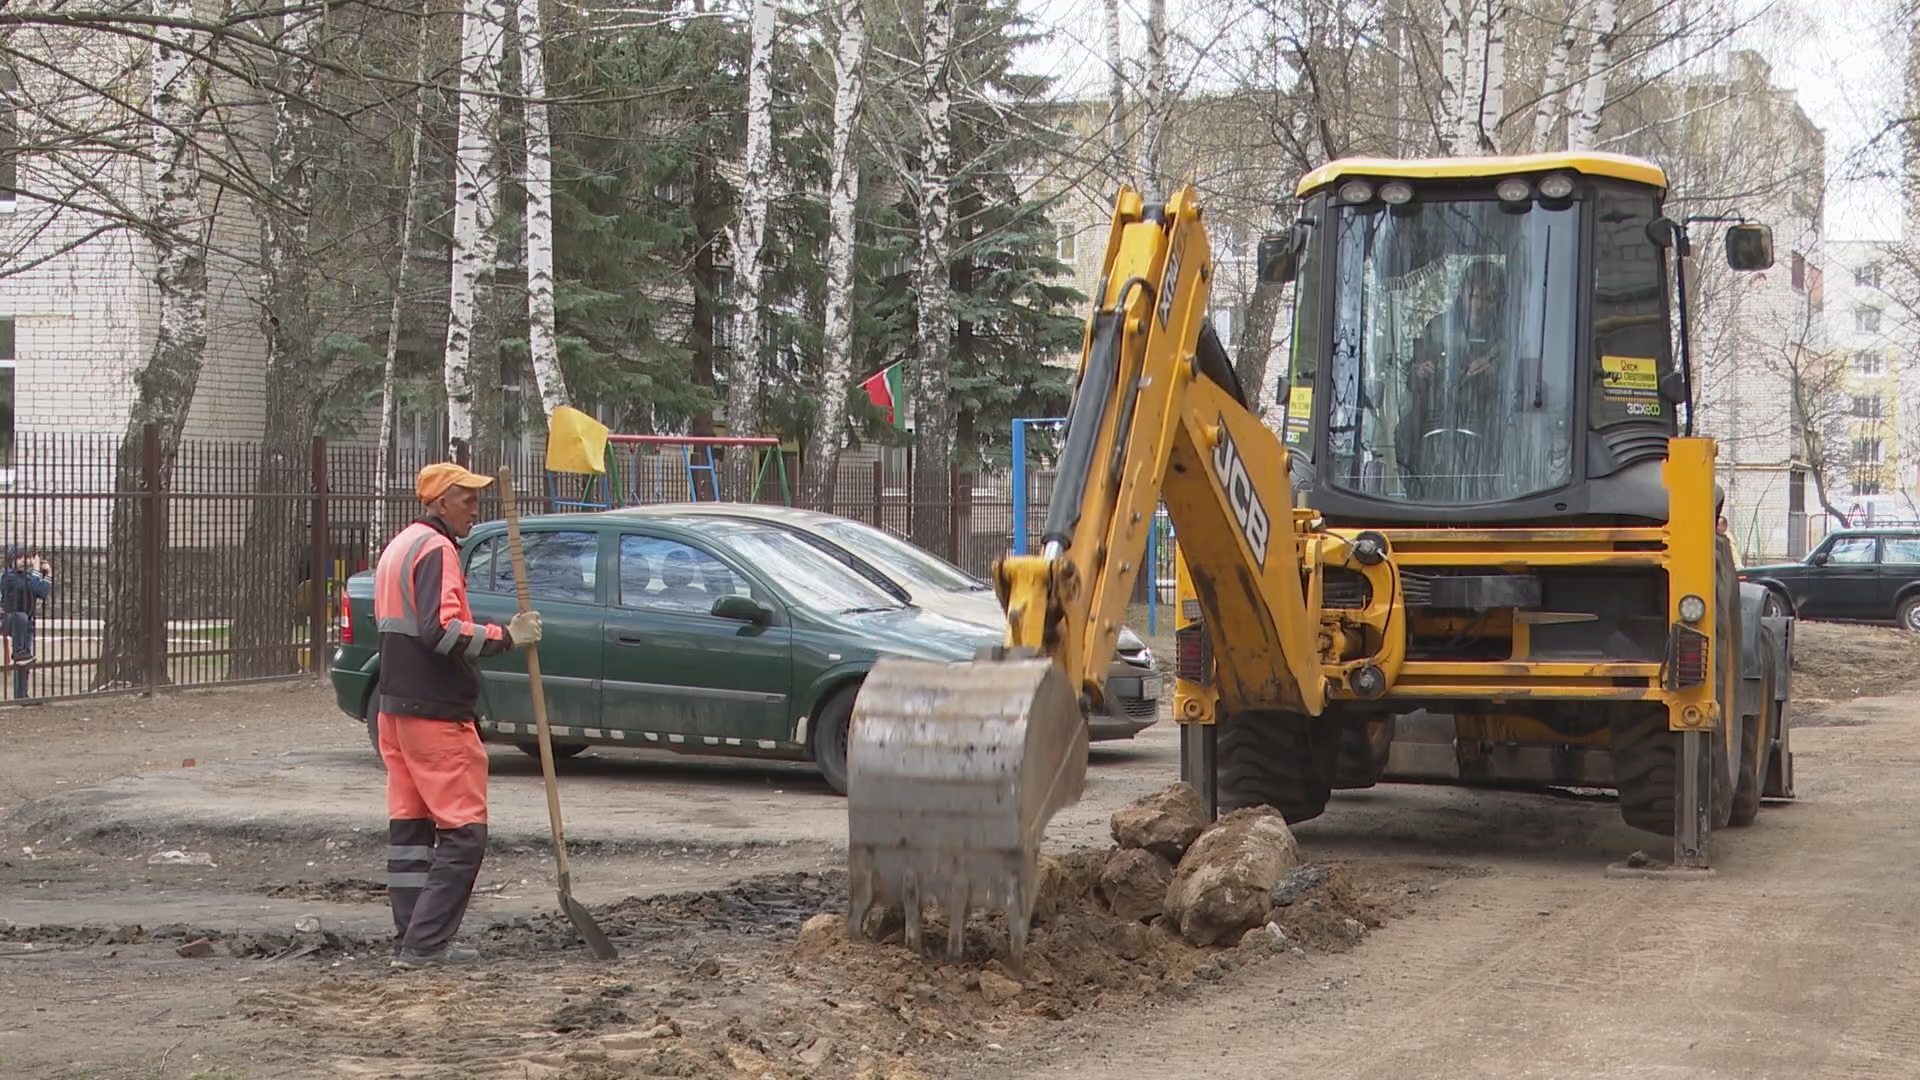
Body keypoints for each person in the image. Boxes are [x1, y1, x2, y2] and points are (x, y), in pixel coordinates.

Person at [374, 463, 543, 968]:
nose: (476, 508)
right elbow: (442, 632)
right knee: (465, 831)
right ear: (441, 502)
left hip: (396, 708)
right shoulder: (437, 550)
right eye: (467, 499)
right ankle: (424, 944)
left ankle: (413, 937)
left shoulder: (399, 545)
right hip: (435, 712)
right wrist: (507, 637)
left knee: (410, 829)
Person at [1399, 260, 1509, 500]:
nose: (1479, 306)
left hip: (1486, 427)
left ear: (1498, 301)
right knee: (1404, 432)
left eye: (1488, 299)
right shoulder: (1438, 328)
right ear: (1462, 293)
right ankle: (1415, 497)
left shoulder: (1508, 335)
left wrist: (1496, 373)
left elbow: (1519, 388)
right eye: (1474, 296)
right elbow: (1410, 378)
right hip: (1437, 423)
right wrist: (1420, 372)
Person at [1, 545, 51, 701]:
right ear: (13, 560)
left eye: (28, 557)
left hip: (26, 623)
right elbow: (24, 586)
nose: (27, 560)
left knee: (26, 659)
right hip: (7, 620)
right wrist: (37, 572)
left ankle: (21, 695)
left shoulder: (29, 576)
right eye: (22, 557)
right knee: (20, 617)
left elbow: (42, 591)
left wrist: (47, 573)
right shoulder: (8, 576)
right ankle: (18, 652)